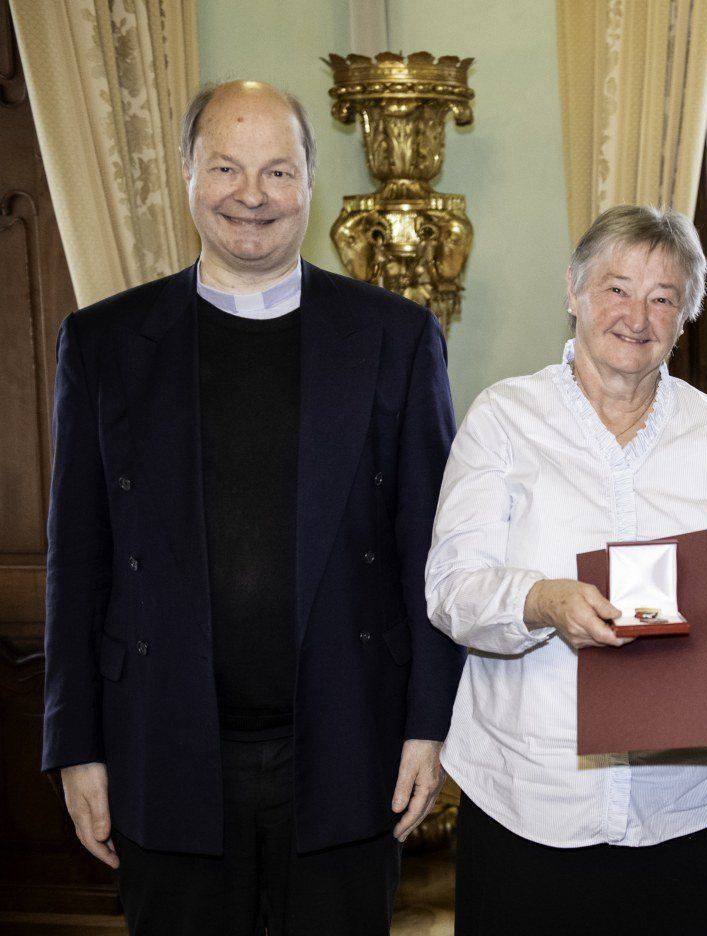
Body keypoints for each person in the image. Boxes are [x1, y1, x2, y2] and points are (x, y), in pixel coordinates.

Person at [41, 80, 463, 935]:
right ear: (188, 174)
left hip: (349, 748)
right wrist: (76, 745)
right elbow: (77, 559)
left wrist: (430, 726)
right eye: (226, 168)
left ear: (310, 181)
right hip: (162, 747)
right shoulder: (106, 343)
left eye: (278, 171)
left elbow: (431, 548)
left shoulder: (395, 337)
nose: (252, 195)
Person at [426, 205, 707, 936]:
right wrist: (541, 601)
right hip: (533, 801)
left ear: (686, 317)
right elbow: (451, 589)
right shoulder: (504, 419)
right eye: (617, 289)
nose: (637, 318)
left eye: (663, 297)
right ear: (574, 292)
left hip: (689, 803)